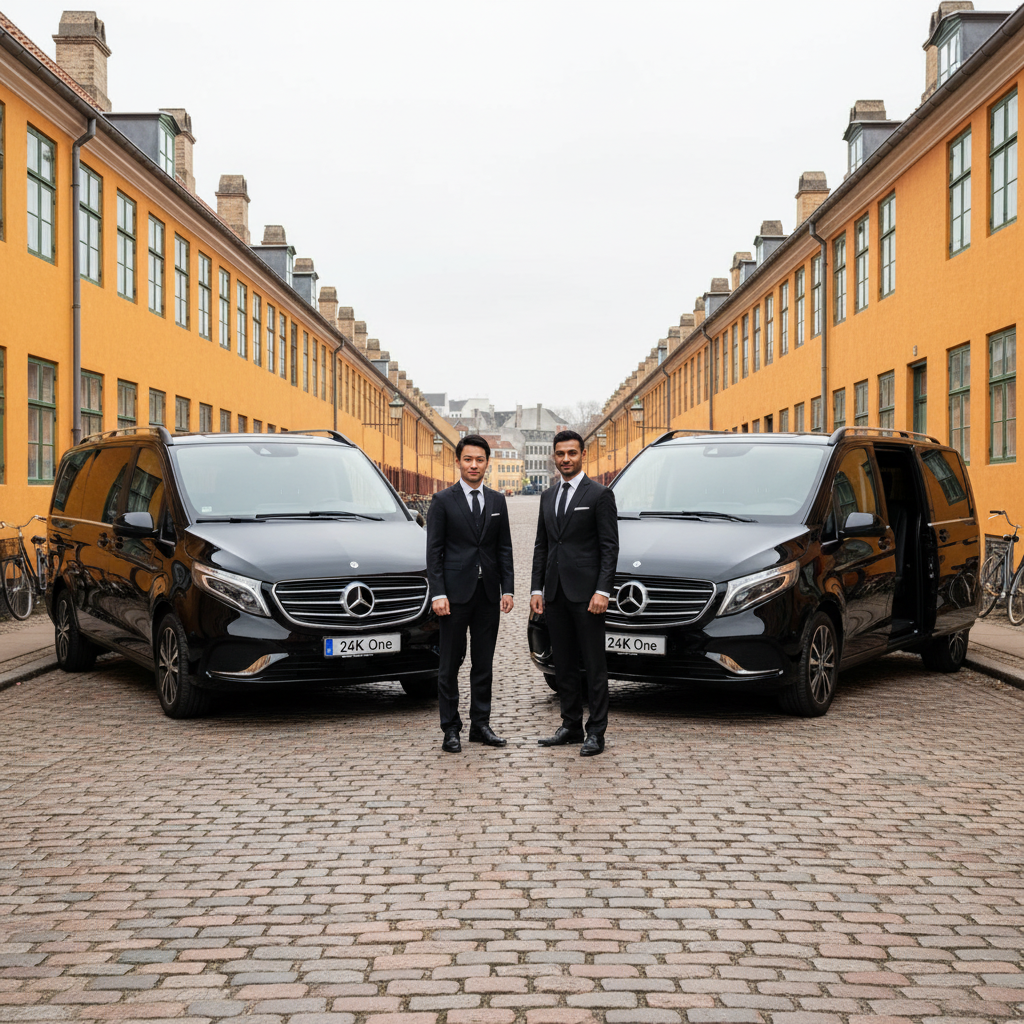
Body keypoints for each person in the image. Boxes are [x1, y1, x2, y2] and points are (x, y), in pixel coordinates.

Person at [530, 430, 619, 756]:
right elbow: (543, 545)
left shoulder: (599, 495)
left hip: (587, 596)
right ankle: (570, 725)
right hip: (554, 593)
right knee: (564, 664)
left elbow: (610, 548)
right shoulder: (548, 496)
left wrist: (603, 591)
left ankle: (596, 731)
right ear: (554, 457)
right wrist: (536, 588)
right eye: (560, 454)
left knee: (593, 665)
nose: (565, 458)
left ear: (583, 454)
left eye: (571, 453)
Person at [426, 434, 515, 753]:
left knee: (483, 663)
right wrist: (438, 593)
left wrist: (508, 589)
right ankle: (450, 728)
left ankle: (480, 725)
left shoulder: (496, 500)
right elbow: (434, 552)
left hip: (488, 595)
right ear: (458, 462)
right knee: (449, 665)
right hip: (452, 596)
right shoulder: (442, 501)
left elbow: (504, 547)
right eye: (468, 459)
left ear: (487, 463)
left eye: (479, 460)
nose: (474, 465)